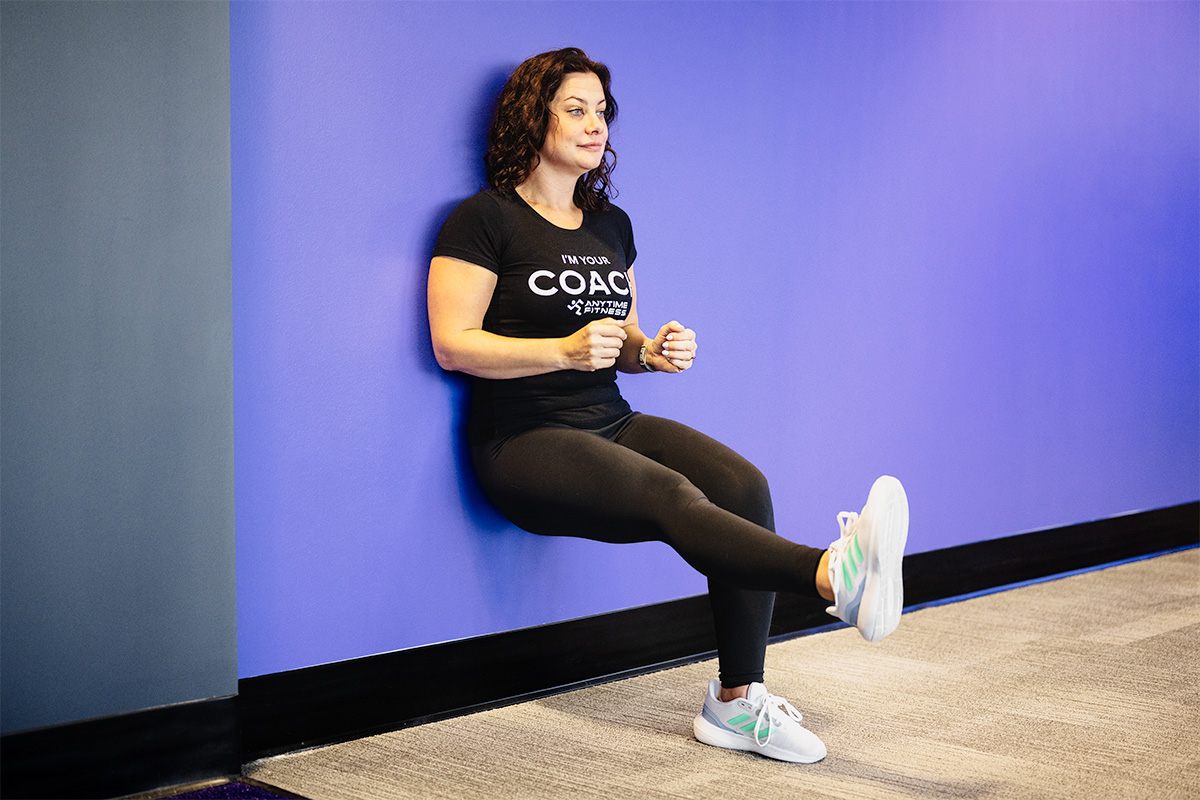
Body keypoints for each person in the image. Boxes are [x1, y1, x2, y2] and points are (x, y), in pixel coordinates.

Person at [427, 47, 909, 764]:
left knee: (743, 485)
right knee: (670, 492)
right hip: (522, 435)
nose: (596, 126)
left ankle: (737, 702)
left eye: (602, 112)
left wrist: (649, 350)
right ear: (533, 118)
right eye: (576, 109)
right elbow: (453, 344)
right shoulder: (483, 220)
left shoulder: (608, 226)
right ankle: (832, 574)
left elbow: (615, 337)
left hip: (608, 419)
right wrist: (561, 351)